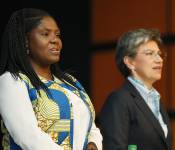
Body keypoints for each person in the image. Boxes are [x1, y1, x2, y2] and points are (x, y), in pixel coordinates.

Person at [0, 8, 102, 150]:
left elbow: (91, 127)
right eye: (45, 34)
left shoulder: (70, 82)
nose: (55, 40)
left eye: (57, 35)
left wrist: (93, 143)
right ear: (25, 41)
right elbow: (28, 137)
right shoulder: (13, 81)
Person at [98, 28, 172, 150]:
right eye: (149, 53)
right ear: (130, 62)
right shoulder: (119, 100)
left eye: (159, 54)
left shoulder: (156, 101)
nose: (159, 59)